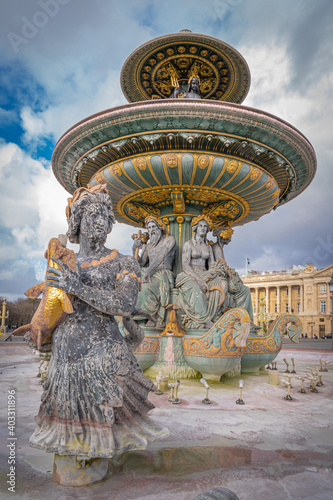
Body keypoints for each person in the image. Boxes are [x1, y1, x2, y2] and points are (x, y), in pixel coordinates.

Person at [29, 185, 168, 459]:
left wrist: (77, 287)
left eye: (105, 215)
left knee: (101, 438)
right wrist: (39, 329)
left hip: (102, 360)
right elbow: (52, 307)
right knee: (67, 441)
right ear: (77, 220)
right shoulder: (63, 262)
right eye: (94, 215)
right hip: (65, 359)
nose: (101, 221)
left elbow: (125, 304)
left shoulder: (124, 263)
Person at [176, 216, 229, 329]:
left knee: (222, 283)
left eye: (205, 226)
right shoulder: (188, 244)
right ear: (195, 228)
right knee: (196, 289)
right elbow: (185, 265)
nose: (203, 228)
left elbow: (211, 266)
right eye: (200, 226)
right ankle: (204, 320)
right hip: (189, 274)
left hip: (205, 273)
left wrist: (216, 274)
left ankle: (216, 316)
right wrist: (199, 280)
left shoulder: (208, 247)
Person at [133, 217, 176, 326]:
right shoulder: (148, 246)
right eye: (149, 228)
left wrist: (147, 273)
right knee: (134, 285)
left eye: (154, 227)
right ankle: (136, 316)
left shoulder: (169, 240)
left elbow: (159, 257)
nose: (151, 230)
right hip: (149, 272)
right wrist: (135, 247)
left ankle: (150, 317)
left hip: (163, 274)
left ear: (160, 228)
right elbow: (140, 263)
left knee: (146, 288)